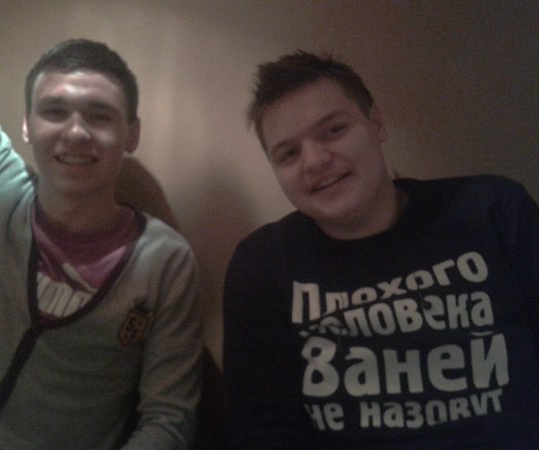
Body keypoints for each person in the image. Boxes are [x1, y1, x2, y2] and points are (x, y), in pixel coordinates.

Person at [223, 50, 539, 448]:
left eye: (333, 130)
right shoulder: (263, 265)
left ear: (376, 122)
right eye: (289, 153)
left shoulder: (494, 210)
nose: (314, 161)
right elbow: (262, 430)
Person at [0, 2, 202, 449]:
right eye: (54, 111)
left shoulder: (166, 262)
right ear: (26, 125)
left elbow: (169, 419)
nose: (76, 132)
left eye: (99, 115)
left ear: (131, 134)